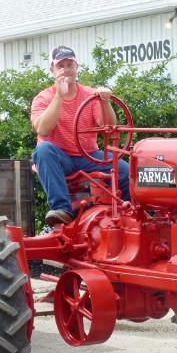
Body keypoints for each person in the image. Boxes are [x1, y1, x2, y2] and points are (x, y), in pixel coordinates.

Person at [31, 45, 130, 227]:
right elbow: (43, 130)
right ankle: (62, 210)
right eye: (61, 66)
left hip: (87, 155)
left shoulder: (90, 95)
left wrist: (105, 102)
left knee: (125, 170)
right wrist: (59, 97)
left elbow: (107, 125)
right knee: (43, 150)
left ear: (76, 68)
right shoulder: (43, 98)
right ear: (52, 70)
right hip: (60, 158)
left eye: (70, 64)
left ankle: (129, 215)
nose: (66, 70)